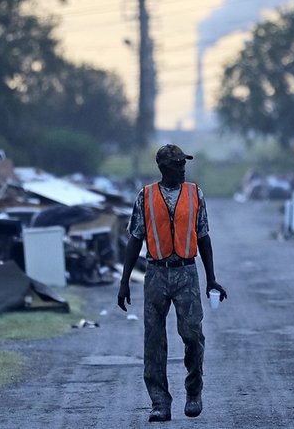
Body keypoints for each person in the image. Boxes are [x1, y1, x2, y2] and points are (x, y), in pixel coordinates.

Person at [117, 144, 227, 422]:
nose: (183, 168)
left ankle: (193, 392)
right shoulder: (146, 196)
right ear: (164, 168)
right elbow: (134, 238)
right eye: (178, 164)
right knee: (153, 340)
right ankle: (159, 403)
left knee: (193, 335)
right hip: (155, 273)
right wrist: (124, 281)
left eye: (183, 163)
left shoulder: (194, 193)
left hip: (186, 273)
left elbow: (203, 236)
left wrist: (211, 278)